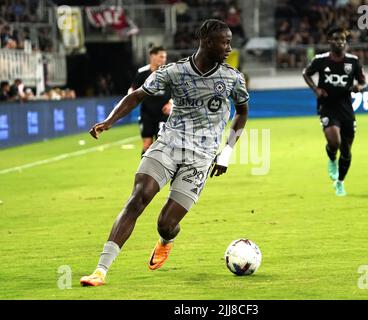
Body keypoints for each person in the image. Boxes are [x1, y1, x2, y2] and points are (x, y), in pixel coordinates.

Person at [80, 19, 249, 286]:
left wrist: (226, 152)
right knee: (137, 199)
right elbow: (136, 96)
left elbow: (242, 112)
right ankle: (100, 270)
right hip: (168, 145)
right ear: (206, 41)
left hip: (201, 157)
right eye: (224, 42)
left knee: (165, 223)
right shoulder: (174, 72)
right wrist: (108, 121)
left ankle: (166, 239)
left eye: (229, 42)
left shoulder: (232, 77)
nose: (229, 47)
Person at [302, 26, 367, 196]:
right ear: (330, 41)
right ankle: (332, 158)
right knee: (334, 142)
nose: (340, 42)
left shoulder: (353, 61)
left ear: (345, 43)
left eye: (343, 40)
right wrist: (316, 89)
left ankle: (340, 182)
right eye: (336, 39)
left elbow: (364, 83)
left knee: (346, 150)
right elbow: (306, 73)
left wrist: (358, 87)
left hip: (346, 108)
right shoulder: (320, 60)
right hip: (327, 106)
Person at [128, 46, 173, 156]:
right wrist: (130, 97)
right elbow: (133, 89)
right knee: (147, 144)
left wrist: (171, 102)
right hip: (146, 114)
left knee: (161, 144)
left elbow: (177, 91)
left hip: (163, 114)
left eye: (165, 57)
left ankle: (159, 171)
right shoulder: (142, 72)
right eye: (161, 56)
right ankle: (144, 172)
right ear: (152, 56)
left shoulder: (168, 73)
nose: (164, 59)